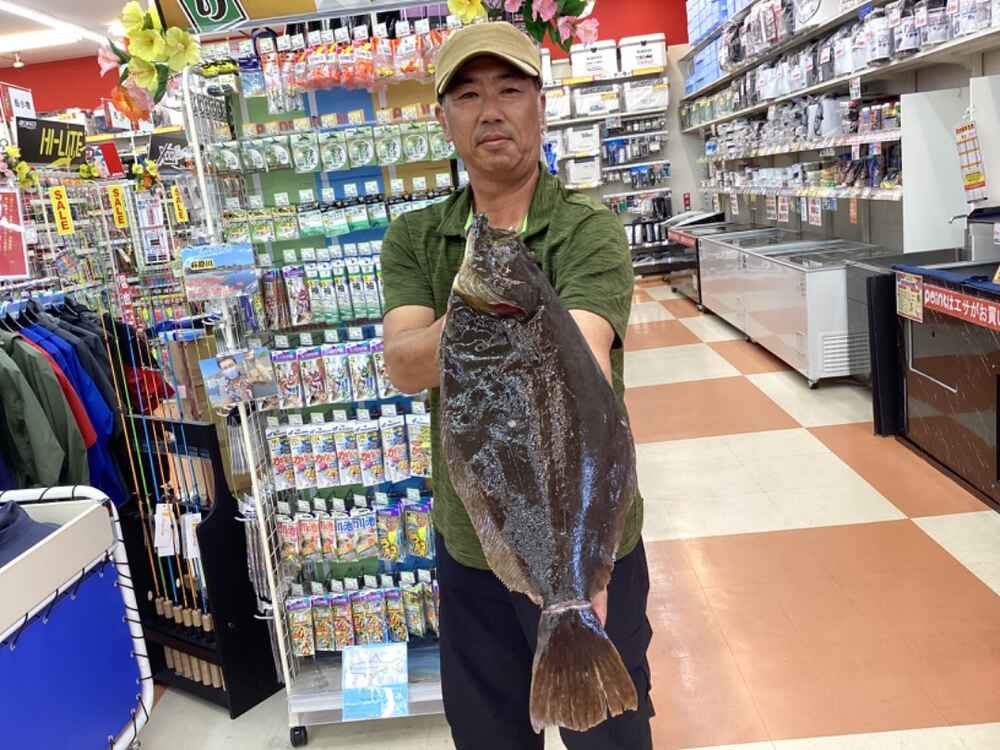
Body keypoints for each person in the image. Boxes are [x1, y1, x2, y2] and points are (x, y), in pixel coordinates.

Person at [380, 21, 653, 750]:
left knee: (610, 736)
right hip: (474, 546)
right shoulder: (414, 237)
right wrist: (486, 313)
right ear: (444, 119)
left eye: (509, 89)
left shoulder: (588, 228)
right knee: (489, 734)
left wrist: (585, 563)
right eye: (468, 95)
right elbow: (403, 364)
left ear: (540, 105)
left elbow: (583, 357)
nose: (491, 110)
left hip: (592, 541)